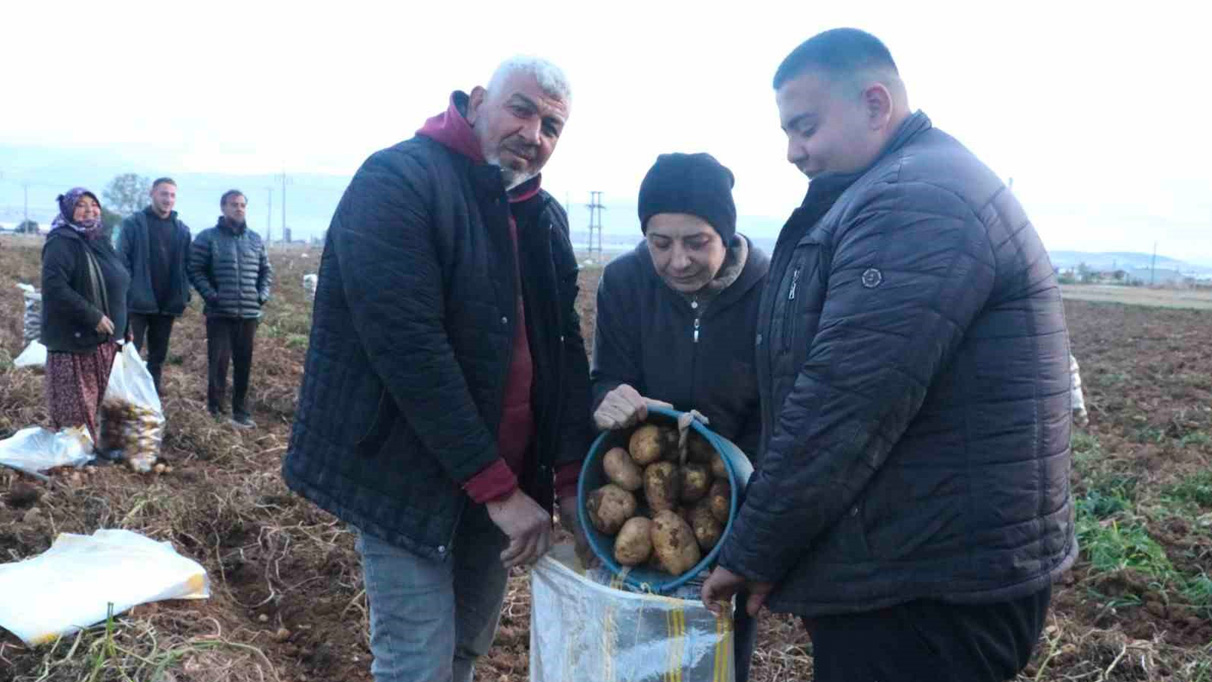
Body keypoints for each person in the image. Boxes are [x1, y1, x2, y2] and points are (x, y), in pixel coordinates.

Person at [700, 29, 1075, 682]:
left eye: (805, 126)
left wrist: (755, 550)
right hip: (915, 565)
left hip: (930, 587)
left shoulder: (915, 202)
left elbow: (846, 403)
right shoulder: (903, 185)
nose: (792, 150)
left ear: (876, 104)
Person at [281, 56, 594, 682]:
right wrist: (499, 491)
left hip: (503, 480)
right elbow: (407, 346)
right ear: (478, 101)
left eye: (552, 127)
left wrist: (565, 479)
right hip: (407, 471)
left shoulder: (543, 215)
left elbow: (562, 355)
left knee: (464, 651)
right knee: (416, 660)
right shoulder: (399, 180)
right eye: (523, 109)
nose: (535, 135)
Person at [591, 152, 768, 681]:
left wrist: (749, 502)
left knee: (717, 658)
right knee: (635, 658)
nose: (678, 261)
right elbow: (604, 379)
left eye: (697, 242)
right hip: (645, 493)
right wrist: (607, 400)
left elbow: (782, 408)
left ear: (727, 234)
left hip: (731, 503)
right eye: (660, 243)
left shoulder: (772, 286)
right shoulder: (624, 282)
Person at [40, 188, 131, 444]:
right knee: (76, 411)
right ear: (68, 210)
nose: (89, 209)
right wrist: (93, 316)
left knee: (96, 404)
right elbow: (55, 287)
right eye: (81, 205)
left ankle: (89, 455)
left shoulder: (98, 239)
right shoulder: (62, 241)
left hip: (103, 341)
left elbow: (119, 282)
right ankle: (71, 462)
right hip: (73, 342)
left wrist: (127, 324)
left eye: (94, 204)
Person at [187, 190, 272, 428]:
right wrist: (212, 296)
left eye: (243, 204)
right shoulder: (207, 238)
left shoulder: (255, 239)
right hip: (220, 313)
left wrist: (261, 296)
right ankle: (216, 412)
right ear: (223, 207)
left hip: (248, 313)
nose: (239, 208)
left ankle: (241, 411)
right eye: (234, 204)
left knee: (244, 364)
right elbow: (195, 270)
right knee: (219, 364)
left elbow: (266, 271)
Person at [117, 177, 192, 394]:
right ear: (152, 194)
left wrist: (184, 293)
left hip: (166, 304)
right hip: (137, 304)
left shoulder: (182, 230)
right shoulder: (133, 224)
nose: (168, 199)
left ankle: (151, 401)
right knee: (130, 355)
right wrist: (129, 291)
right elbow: (122, 260)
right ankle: (125, 400)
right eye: (163, 194)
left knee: (157, 359)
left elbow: (188, 265)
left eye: (172, 195)